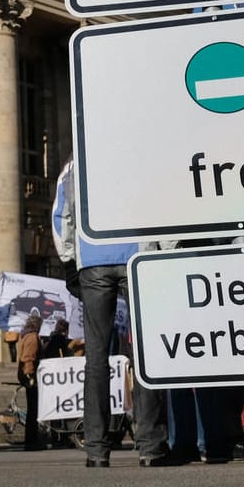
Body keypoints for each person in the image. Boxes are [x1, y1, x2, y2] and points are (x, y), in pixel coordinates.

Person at [53, 159, 170, 469]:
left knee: (96, 357)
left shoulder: (74, 164)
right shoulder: (136, 149)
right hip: (138, 254)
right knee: (144, 355)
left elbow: (61, 213)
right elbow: (162, 201)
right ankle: (151, 447)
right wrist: (167, 249)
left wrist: (68, 259)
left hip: (93, 258)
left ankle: (96, 450)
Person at [17, 313, 44, 450]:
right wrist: (30, 375)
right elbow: (29, 357)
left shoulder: (24, 335)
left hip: (24, 374)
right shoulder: (32, 337)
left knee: (32, 409)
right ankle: (32, 441)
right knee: (33, 409)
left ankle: (31, 440)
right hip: (30, 376)